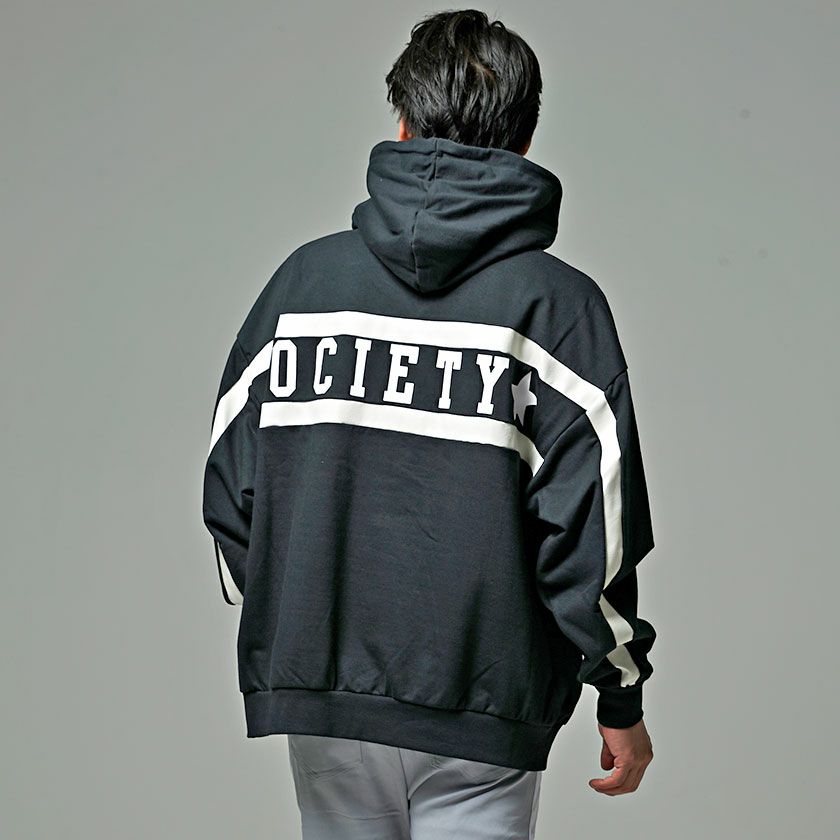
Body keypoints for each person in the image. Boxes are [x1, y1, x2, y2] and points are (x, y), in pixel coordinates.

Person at [202, 8, 656, 839]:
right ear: (525, 139)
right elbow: (593, 537)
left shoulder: (304, 287)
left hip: (325, 697)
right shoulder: (558, 308)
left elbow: (232, 490)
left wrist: (307, 614)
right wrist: (618, 691)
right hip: (488, 703)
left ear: (403, 123)